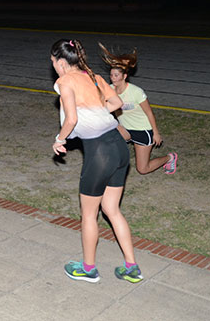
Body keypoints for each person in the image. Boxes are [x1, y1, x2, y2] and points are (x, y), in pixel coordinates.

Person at [51, 39, 143, 284]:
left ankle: (88, 269)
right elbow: (116, 103)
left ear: (61, 62)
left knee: (89, 215)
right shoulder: (93, 77)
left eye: (53, 62)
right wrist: (96, 108)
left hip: (99, 152)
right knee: (112, 209)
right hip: (119, 147)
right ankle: (132, 267)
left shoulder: (64, 81)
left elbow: (70, 119)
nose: (53, 67)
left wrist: (59, 140)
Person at [99, 43, 177, 175]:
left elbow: (149, 112)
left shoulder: (136, 92)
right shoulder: (110, 89)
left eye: (116, 75)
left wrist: (156, 133)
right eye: (111, 75)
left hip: (142, 130)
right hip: (124, 127)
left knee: (142, 169)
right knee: (106, 139)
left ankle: (170, 158)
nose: (113, 78)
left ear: (124, 76)